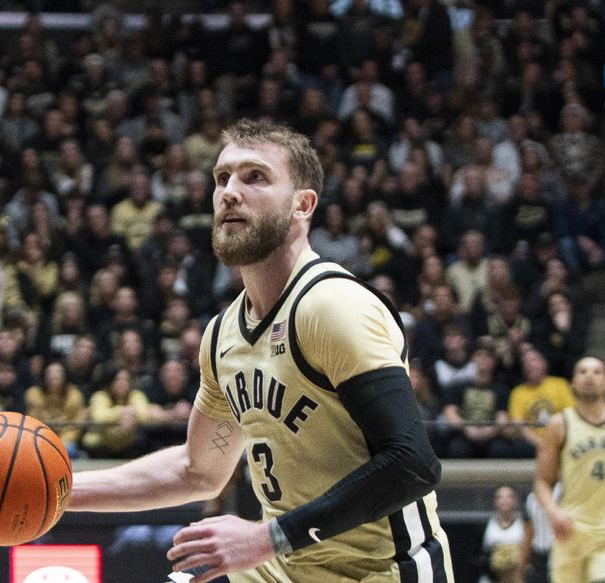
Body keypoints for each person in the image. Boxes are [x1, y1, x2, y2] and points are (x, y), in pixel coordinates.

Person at [68, 119, 452, 582]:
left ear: (302, 205)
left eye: (255, 177)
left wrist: (264, 539)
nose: (230, 191)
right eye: (221, 178)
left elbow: (413, 464)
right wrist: (58, 492)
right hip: (282, 565)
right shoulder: (223, 333)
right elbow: (198, 470)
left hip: (377, 571)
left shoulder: (331, 306)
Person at [534, 356, 605, 583]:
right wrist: (553, 512)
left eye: (596, 372)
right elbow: (542, 481)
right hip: (571, 531)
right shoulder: (559, 424)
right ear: (573, 383)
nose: (589, 376)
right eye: (582, 372)